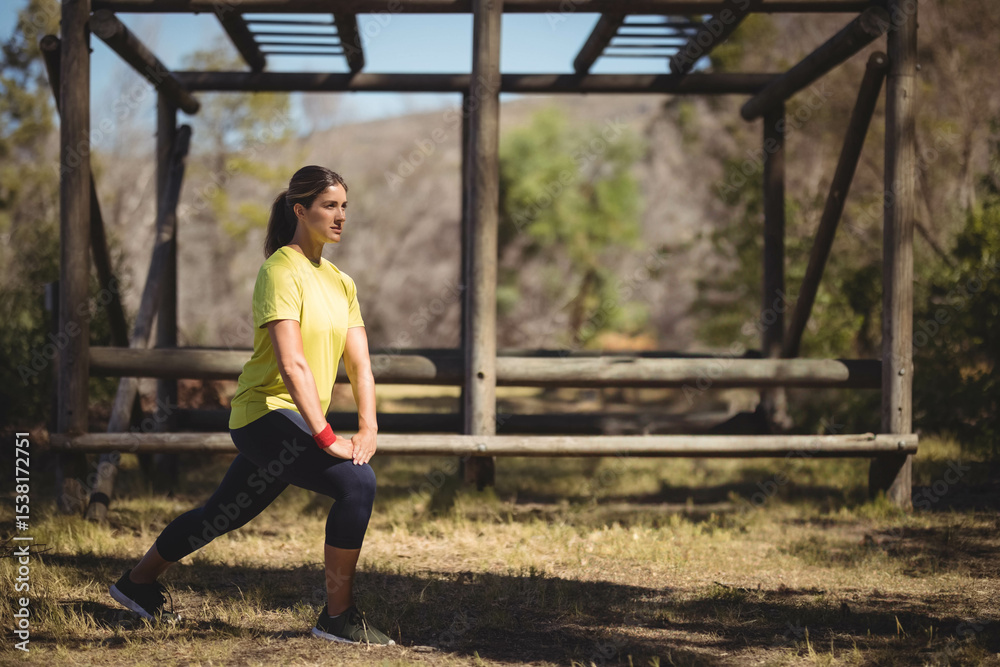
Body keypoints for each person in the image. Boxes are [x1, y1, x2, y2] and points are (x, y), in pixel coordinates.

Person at [108, 165, 394, 646]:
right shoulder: (280, 270)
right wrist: (327, 436)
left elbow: (361, 365)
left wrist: (368, 428)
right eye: (330, 205)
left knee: (222, 514)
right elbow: (292, 364)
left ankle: (136, 582)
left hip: (293, 420)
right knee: (356, 483)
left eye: (345, 206)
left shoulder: (342, 283)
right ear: (300, 210)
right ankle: (337, 618)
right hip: (263, 415)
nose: (341, 215)